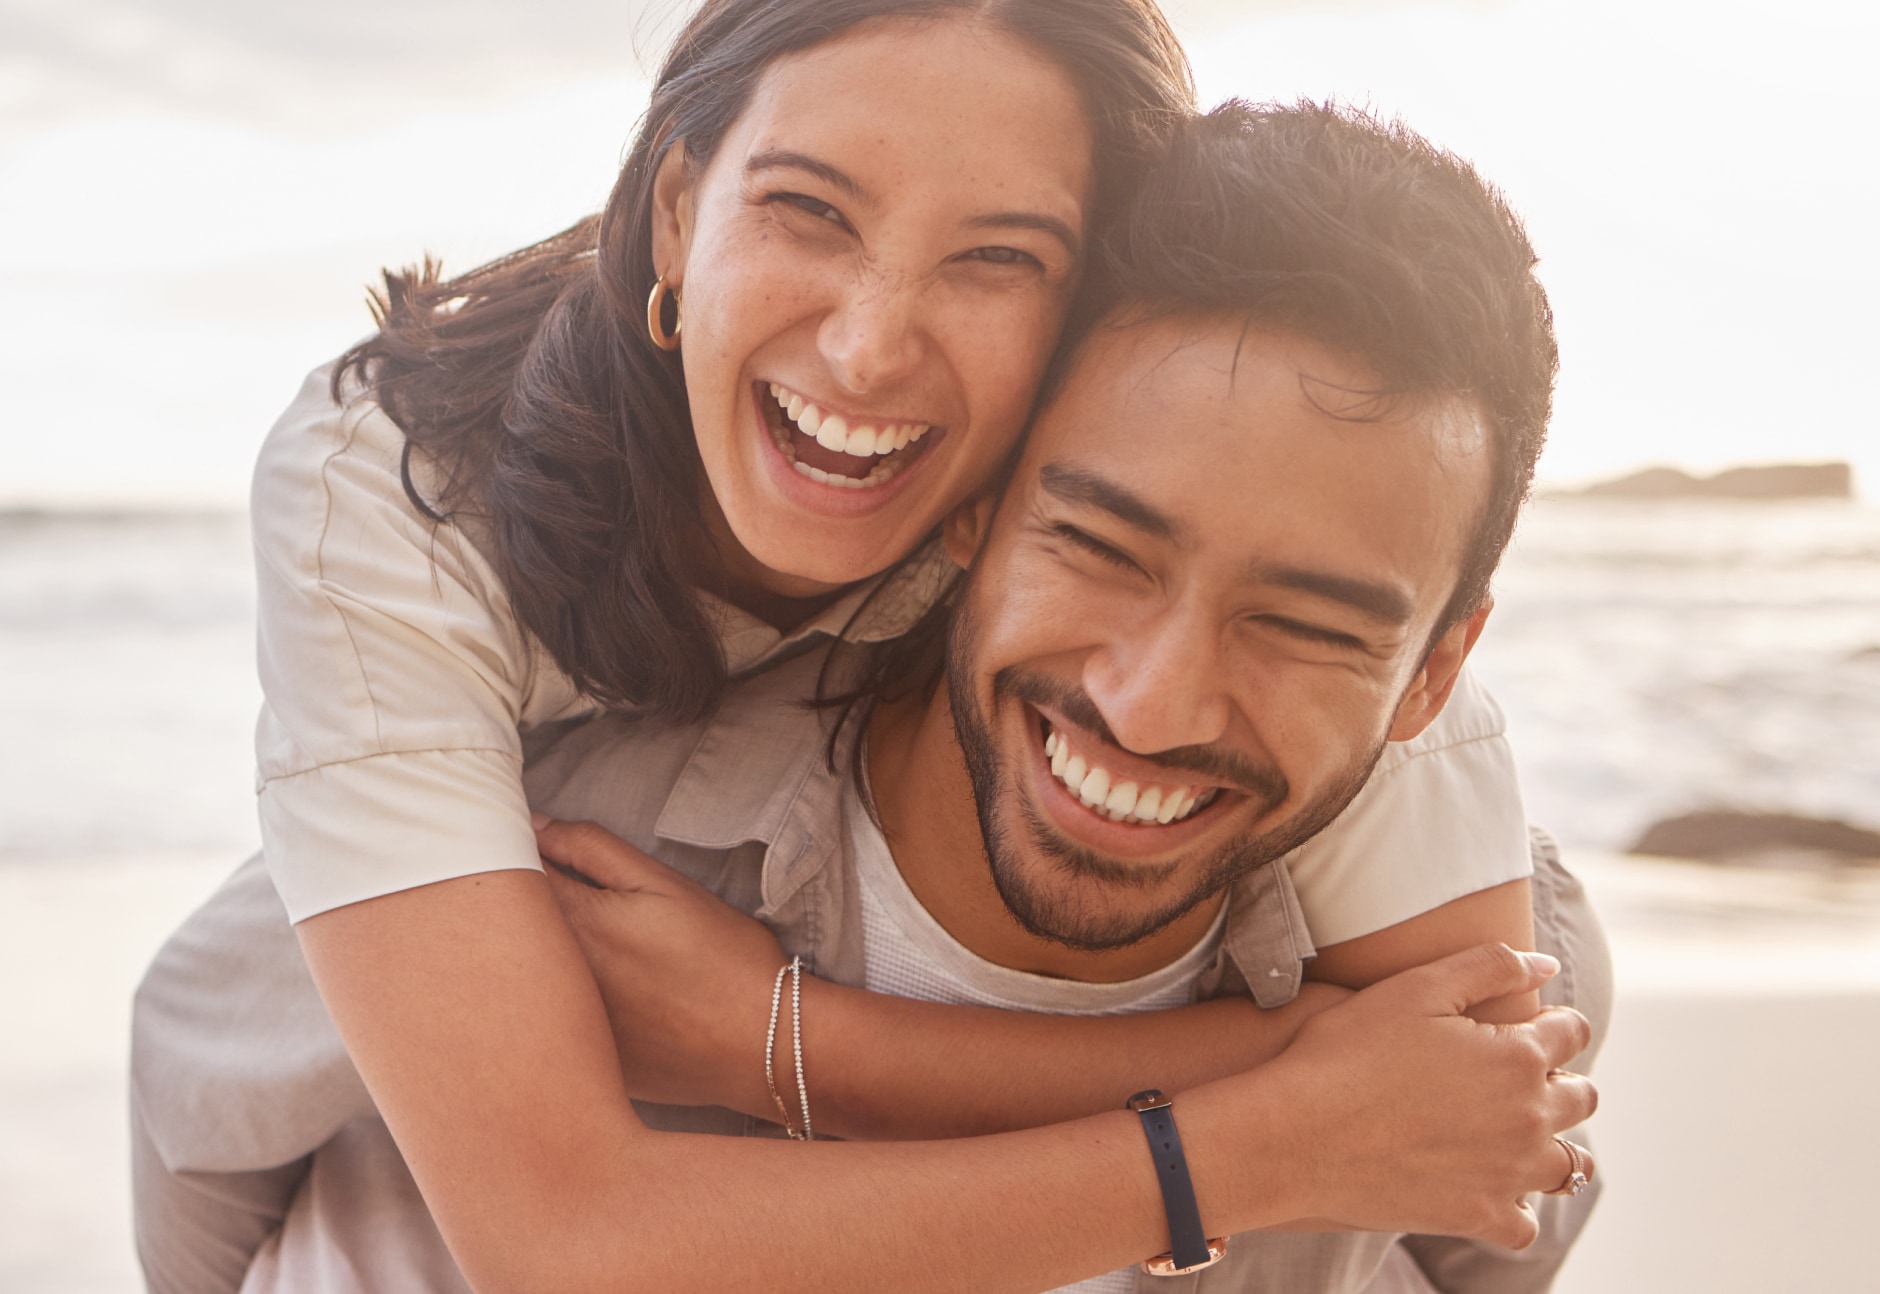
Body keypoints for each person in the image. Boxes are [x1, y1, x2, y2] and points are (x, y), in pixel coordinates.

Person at [134, 100, 1604, 1294]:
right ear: (969, 509)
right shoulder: (568, 863)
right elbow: (205, 1099)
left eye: (1303, 624)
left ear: (1436, 672)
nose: (1156, 702)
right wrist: (1227, 1146)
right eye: (1099, 544)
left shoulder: (1470, 1012)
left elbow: (1484, 1196)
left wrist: (792, 1046)